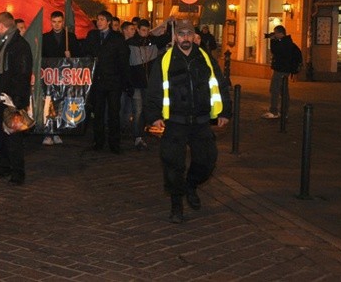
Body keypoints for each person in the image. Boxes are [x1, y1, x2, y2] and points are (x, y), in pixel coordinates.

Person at [145, 19, 232, 223]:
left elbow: (220, 84)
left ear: (194, 36)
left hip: (200, 120)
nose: (185, 38)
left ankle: (191, 185)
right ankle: (177, 205)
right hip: (175, 121)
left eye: (189, 34)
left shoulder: (205, 58)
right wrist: (154, 116)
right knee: (173, 164)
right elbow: (154, 90)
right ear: (175, 37)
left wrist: (225, 111)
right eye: (181, 34)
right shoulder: (165, 60)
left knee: (206, 161)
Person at [0, 12, 33, 186]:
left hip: (11, 99)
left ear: (2, 26)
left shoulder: (20, 46)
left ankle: (18, 172)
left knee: (14, 137)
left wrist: (17, 99)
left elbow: (23, 74)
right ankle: (3, 167)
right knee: (0, 135)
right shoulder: (1, 44)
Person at [85, 11, 130, 153]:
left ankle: (114, 143)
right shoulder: (92, 36)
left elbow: (123, 60)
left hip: (113, 81)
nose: (99, 22)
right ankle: (98, 142)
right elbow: (86, 53)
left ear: (108, 22)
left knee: (113, 113)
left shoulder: (117, 37)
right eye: (98, 19)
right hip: (97, 81)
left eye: (102, 19)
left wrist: (124, 81)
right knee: (98, 113)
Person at [126, 19, 170, 150]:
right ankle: (137, 137)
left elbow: (166, 38)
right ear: (138, 30)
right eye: (143, 30)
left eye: (147, 30)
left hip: (149, 84)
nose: (145, 33)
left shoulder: (153, 42)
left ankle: (141, 132)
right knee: (138, 111)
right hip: (136, 83)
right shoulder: (130, 44)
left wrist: (167, 24)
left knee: (145, 109)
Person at [41, 10, 82, 145]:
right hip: (49, 77)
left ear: (63, 22)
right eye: (54, 22)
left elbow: (78, 58)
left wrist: (71, 55)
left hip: (64, 78)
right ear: (50, 22)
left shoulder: (70, 37)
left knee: (60, 104)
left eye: (59, 22)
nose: (57, 25)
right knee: (49, 104)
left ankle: (57, 131)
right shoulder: (45, 38)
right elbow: (41, 57)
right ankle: (48, 132)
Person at [263, 25, 302, 120]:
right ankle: (284, 112)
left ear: (280, 33)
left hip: (281, 70)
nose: (274, 35)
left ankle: (274, 111)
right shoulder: (286, 42)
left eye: (275, 33)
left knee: (275, 90)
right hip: (283, 70)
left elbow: (275, 51)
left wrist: (272, 40)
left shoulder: (284, 43)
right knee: (283, 91)